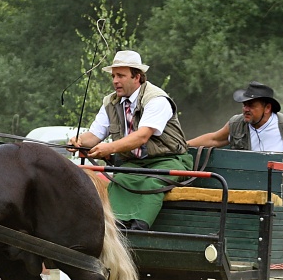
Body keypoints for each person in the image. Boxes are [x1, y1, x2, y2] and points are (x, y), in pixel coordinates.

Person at [69, 50, 192, 231]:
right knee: (121, 180)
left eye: (121, 75)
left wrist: (109, 148)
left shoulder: (156, 99)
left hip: (169, 161)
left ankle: (138, 228)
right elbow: (94, 136)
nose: (115, 81)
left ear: (137, 77)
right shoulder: (110, 103)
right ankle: (114, 227)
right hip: (134, 164)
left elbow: (142, 136)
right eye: (113, 76)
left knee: (151, 181)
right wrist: (78, 141)